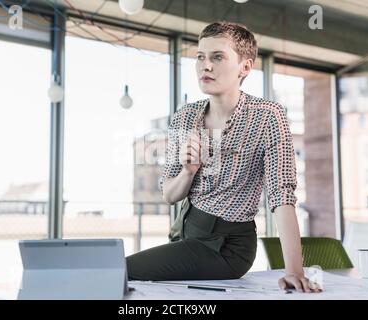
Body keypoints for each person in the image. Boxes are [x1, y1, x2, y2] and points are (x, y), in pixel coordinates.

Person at [126, 21, 321, 293]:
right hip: (185, 234)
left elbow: (281, 194)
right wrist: (188, 171)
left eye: (218, 57)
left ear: (245, 67)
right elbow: (169, 195)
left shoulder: (268, 115)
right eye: (201, 57)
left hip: (227, 247)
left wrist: (294, 272)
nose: (206, 66)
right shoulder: (185, 116)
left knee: (121, 270)